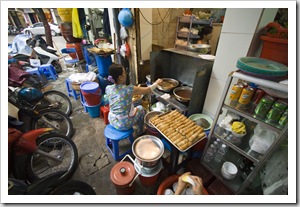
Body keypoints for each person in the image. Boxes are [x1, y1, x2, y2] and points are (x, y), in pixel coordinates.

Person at [105, 63, 162, 136]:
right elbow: (148, 89)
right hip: (123, 124)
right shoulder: (129, 89)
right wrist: (157, 82)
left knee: (133, 105)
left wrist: (130, 102)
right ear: (120, 77)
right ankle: (140, 131)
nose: (126, 74)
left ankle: (135, 124)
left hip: (112, 120)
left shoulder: (108, 88)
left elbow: (117, 101)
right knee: (141, 109)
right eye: (124, 73)